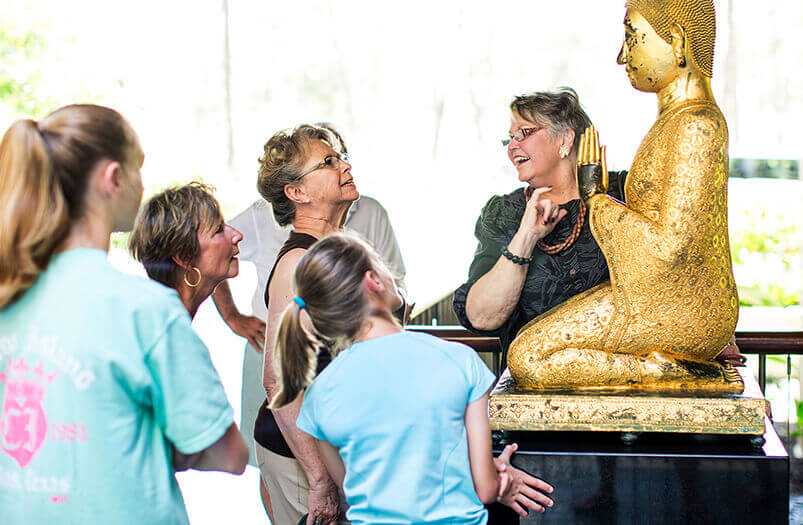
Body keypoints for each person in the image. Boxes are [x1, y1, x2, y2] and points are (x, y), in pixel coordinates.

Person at [0, 104, 248, 524]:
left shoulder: (10, 294)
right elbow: (230, 454)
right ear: (114, 178)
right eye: (139, 168)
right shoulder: (145, 310)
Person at [506, 0, 745, 391]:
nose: (622, 56)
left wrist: (597, 199)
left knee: (529, 358)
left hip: (682, 309)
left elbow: (670, 249)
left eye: (633, 38)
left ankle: (672, 373)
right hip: (658, 297)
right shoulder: (674, 122)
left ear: (677, 42)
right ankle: (662, 371)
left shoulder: (696, 125)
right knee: (527, 351)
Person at [270, 232, 554, 523]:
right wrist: (501, 471)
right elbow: (485, 489)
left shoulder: (319, 395)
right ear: (374, 281)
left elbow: (352, 490)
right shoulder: (459, 361)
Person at [253, 123, 407, 525]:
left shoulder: (339, 249)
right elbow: (277, 381)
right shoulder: (296, 264)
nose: (345, 166)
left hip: (346, 448)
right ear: (297, 192)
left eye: (341, 157)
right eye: (328, 162)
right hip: (303, 458)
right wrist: (319, 480)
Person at [452, 89, 626, 367]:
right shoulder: (504, 213)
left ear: (565, 139)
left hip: (621, 383)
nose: (512, 146)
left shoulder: (624, 193)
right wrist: (526, 236)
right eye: (509, 138)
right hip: (531, 392)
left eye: (524, 133)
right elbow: (481, 318)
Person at [129, 182, 244, 319]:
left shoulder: (167, 314)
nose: (237, 235)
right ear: (184, 256)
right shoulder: (165, 327)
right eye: (218, 230)